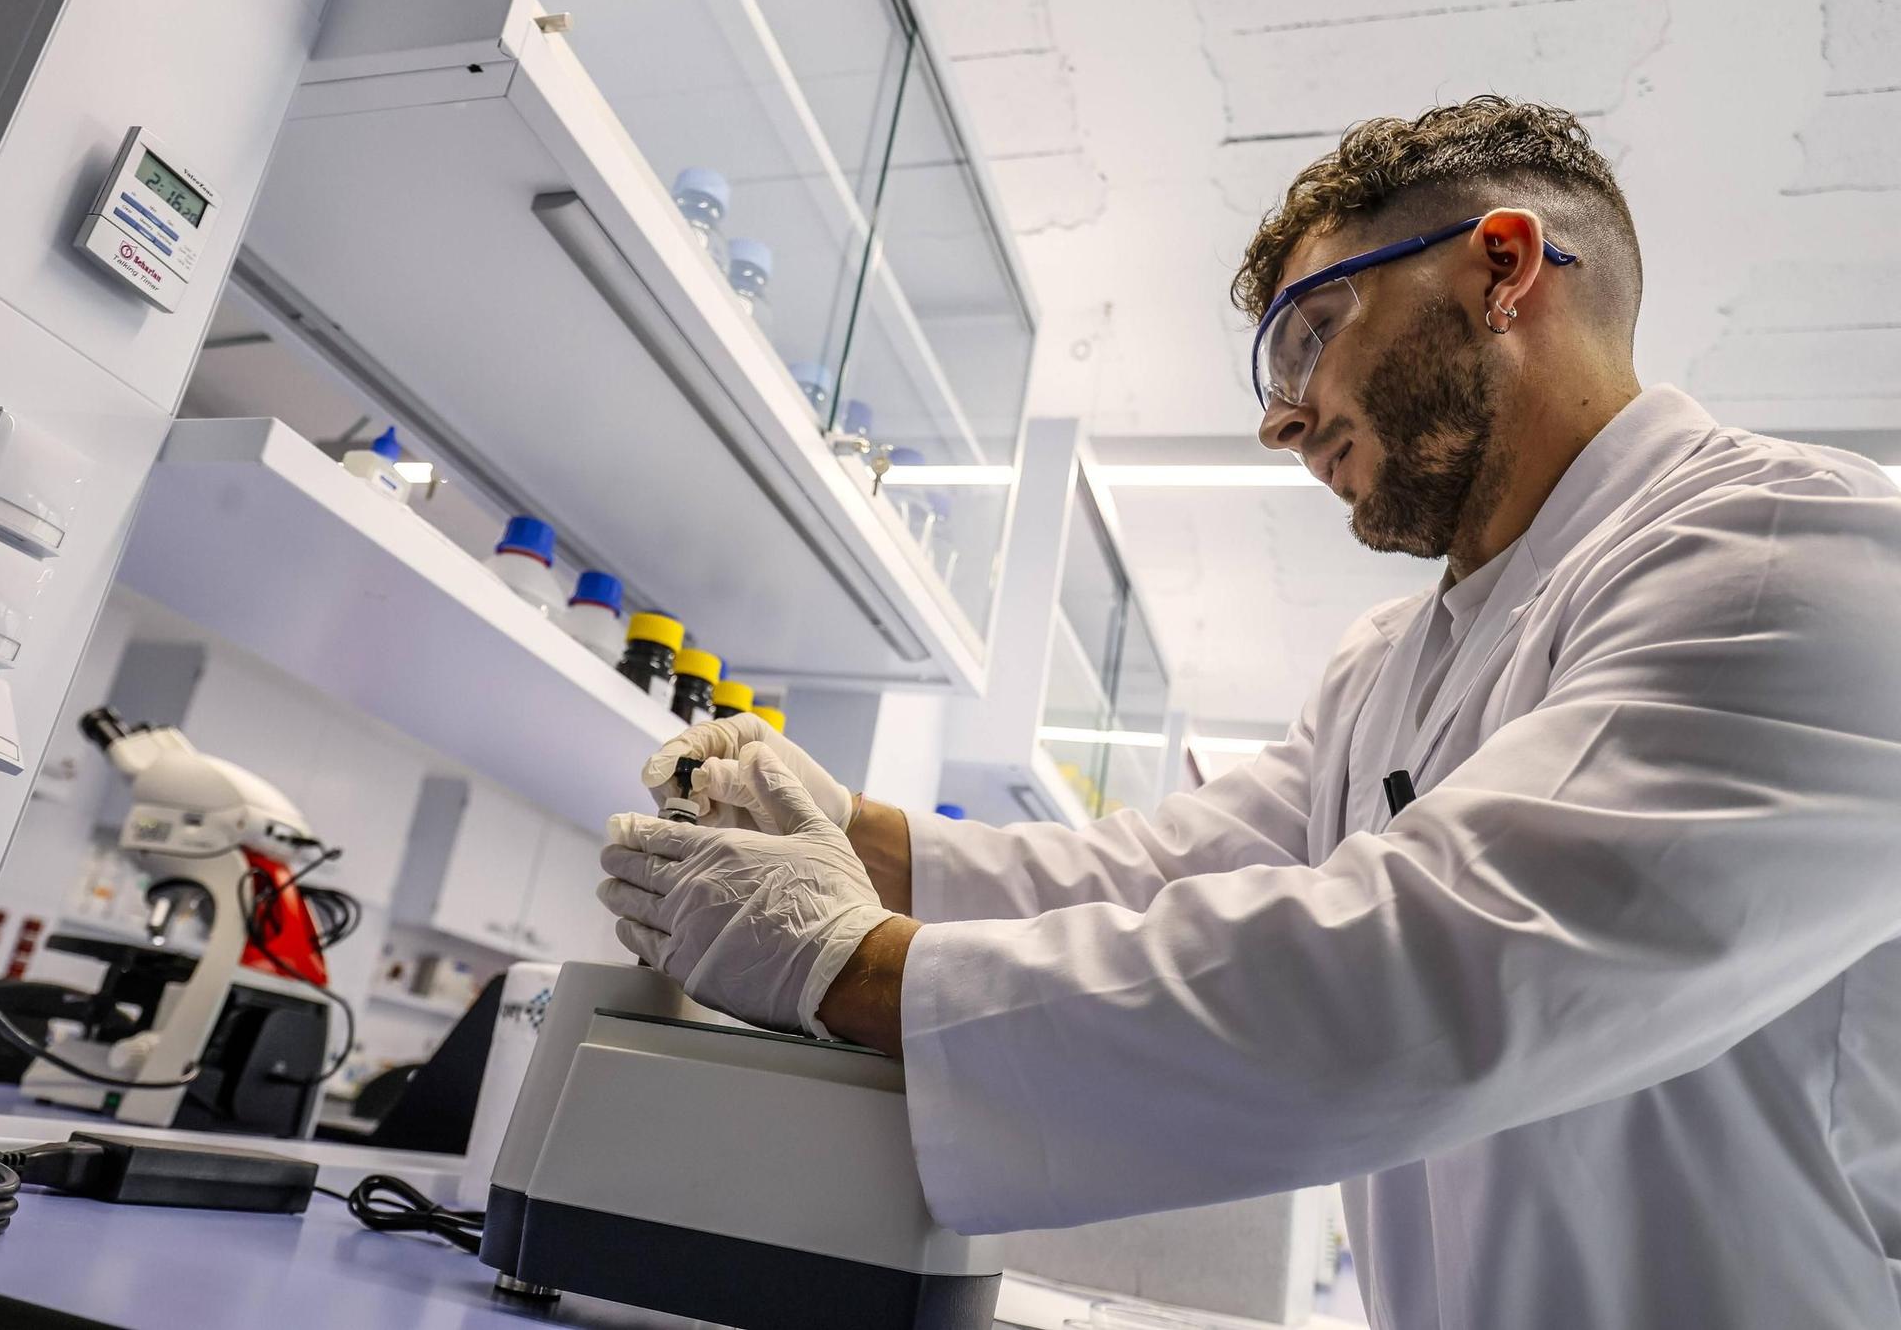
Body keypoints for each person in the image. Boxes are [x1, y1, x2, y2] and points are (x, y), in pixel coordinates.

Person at [595, 97, 1901, 1328]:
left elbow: (1433, 968)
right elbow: (1158, 874)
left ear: (1504, 267)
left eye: (1306, 334)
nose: (1282, 420)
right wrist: (855, 834)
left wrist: (853, 967)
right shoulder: (1391, 666)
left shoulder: (1786, 554)